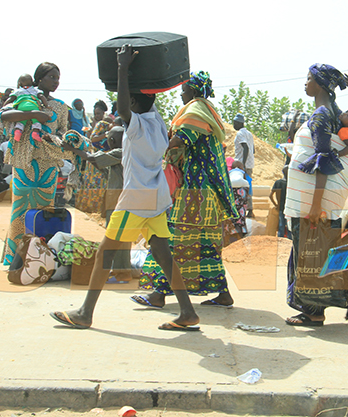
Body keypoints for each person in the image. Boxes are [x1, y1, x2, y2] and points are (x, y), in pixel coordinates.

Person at [51, 44, 199, 330]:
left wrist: (122, 69)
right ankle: (187, 312)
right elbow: (143, 101)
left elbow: (122, 107)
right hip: (156, 197)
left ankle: (85, 313)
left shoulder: (137, 126)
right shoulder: (156, 121)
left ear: (131, 104)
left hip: (136, 198)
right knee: (163, 255)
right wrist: (138, 76)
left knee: (104, 254)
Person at [135, 71, 240, 310]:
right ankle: (223, 295)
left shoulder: (194, 112)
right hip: (207, 194)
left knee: (173, 240)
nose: (181, 94)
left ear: (192, 91)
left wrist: (147, 145)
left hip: (195, 192)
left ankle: (158, 294)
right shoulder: (208, 112)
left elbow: (177, 142)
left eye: (183, 90)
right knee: (205, 244)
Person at [284, 63, 348, 326]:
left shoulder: (320, 114)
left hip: (311, 199)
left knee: (309, 253)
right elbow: (345, 148)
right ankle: (318, 307)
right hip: (325, 197)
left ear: (320, 83)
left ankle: (313, 311)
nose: (305, 84)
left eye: (308, 79)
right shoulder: (335, 113)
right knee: (318, 251)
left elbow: (323, 160)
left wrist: (316, 205)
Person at [0, 62, 72, 266]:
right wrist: (34, 115)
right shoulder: (25, 96)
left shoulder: (60, 106)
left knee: (44, 210)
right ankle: (14, 259)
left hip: (48, 163)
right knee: (20, 209)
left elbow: (63, 130)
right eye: (52, 77)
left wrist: (60, 139)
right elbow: (3, 116)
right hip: (24, 161)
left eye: (58, 78)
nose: (56, 82)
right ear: (39, 79)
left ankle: (37, 258)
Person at [63, 126, 130, 281]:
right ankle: (118, 269)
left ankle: (122, 272)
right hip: (118, 199)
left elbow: (93, 158)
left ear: (111, 141)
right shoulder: (122, 155)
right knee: (116, 236)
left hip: (119, 200)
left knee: (118, 237)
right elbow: (104, 169)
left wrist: (71, 148)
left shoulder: (120, 152)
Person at [7, 74, 49, 144]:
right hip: (33, 106)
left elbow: (11, 98)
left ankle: (18, 131)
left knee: (21, 120)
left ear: (19, 83)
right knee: (36, 119)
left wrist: (4, 105)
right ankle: (35, 132)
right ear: (32, 82)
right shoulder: (35, 90)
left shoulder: (18, 91)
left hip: (21, 106)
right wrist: (46, 105)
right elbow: (41, 96)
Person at [233, 113, 255, 217]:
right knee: (248, 186)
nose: (233, 125)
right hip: (249, 164)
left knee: (240, 187)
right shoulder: (249, 134)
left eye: (234, 123)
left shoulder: (240, 134)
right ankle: (249, 210)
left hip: (242, 165)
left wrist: (243, 164)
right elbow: (253, 150)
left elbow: (245, 148)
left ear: (238, 123)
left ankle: (241, 209)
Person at [269, 166, 289, 238]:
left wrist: (276, 205)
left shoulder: (278, 182)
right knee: (289, 227)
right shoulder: (291, 183)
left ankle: (280, 240)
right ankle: (289, 242)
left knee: (281, 225)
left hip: (281, 207)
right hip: (290, 208)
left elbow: (270, 196)